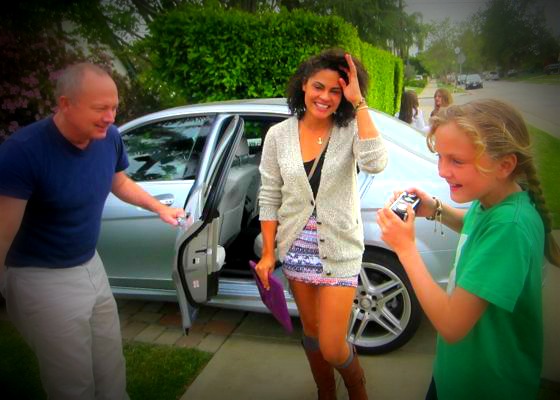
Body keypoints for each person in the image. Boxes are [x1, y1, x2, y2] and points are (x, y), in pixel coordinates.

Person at [0, 63, 185, 400]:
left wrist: (159, 207)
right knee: (72, 383)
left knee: (109, 365)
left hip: (90, 264)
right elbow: (2, 233)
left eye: (114, 107)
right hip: (41, 278)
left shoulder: (108, 138)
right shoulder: (23, 152)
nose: (110, 117)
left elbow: (119, 182)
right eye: (101, 108)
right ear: (65, 104)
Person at [376, 99, 560, 400]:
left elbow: (451, 324)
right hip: (455, 372)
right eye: (440, 157)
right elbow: (473, 225)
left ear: (504, 165)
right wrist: (435, 209)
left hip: (486, 386)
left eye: (457, 161)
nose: (442, 171)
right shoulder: (493, 200)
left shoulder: (510, 228)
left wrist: (405, 248)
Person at [256, 48, 388, 400]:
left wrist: (359, 103)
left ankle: (356, 385)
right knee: (312, 334)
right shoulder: (278, 136)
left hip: (340, 248)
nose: (325, 97)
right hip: (296, 249)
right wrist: (268, 253)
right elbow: (269, 196)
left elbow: (376, 163)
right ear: (303, 85)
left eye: (335, 91)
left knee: (332, 345)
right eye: (318, 87)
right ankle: (325, 391)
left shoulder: (349, 129)